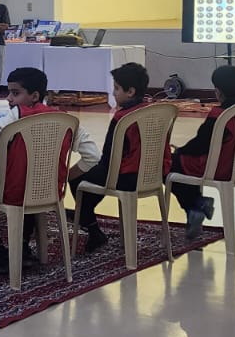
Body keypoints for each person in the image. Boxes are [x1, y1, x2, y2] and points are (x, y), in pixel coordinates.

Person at [0, 66, 99, 275]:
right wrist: (62, 179)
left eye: (15, 93)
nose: (9, 98)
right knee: (27, 185)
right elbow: (93, 156)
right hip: (49, 192)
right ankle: (23, 247)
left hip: (14, 193)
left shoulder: (15, 117)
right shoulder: (65, 119)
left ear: (34, 96)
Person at [66, 62, 164, 251]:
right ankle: (85, 215)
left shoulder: (122, 118)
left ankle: (90, 226)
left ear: (130, 92)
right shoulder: (156, 111)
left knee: (77, 179)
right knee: (92, 181)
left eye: (117, 88)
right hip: (153, 175)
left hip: (126, 178)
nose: (113, 93)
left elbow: (108, 158)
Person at [170, 64, 235, 239]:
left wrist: (180, 150)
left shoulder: (219, 115)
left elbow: (200, 144)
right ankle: (196, 206)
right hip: (234, 165)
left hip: (216, 168)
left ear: (218, 91)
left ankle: (195, 206)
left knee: (167, 165)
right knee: (182, 163)